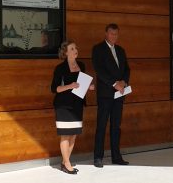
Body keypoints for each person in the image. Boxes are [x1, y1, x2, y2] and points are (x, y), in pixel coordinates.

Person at [51, 40, 94, 174]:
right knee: (65, 135)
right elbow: (54, 88)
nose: (75, 50)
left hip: (77, 104)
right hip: (63, 105)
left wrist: (89, 87)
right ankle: (67, 163)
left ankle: (65, 162)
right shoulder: (60, 68)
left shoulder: (81, 65)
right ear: (65, 52)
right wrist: (70, 86)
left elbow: (82, 84)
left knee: (73, 135)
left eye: (76, 48)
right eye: (72, 48)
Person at [92, 23, 130, 168]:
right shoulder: (98, 49)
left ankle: (116, 156)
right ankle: (98, 157)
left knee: (116, 126)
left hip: (119, 94)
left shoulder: (121, 50)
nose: (114, 36)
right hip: (105, 94)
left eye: (116, 34)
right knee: (101, 125)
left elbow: (127, 69)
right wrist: (115, 83)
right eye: (111, 34)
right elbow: (99, 70)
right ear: (106, 34)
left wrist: (124, 82)